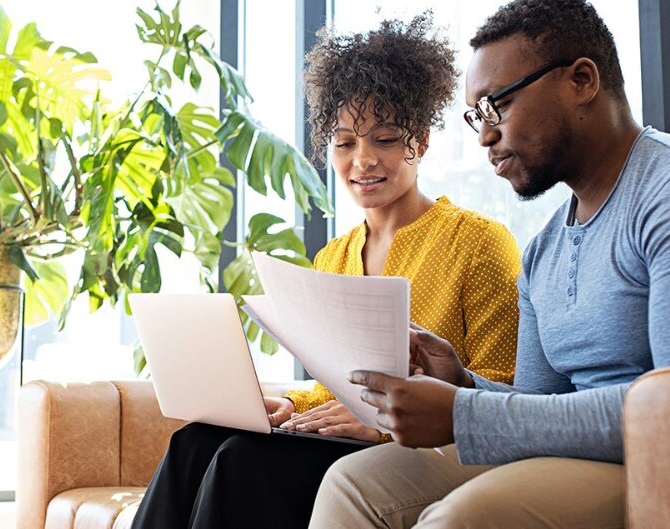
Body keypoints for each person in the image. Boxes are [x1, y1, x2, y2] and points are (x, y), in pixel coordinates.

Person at [308, 1, 670, 528]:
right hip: (596, 455)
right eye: (477, 117)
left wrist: (464, 411)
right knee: (355, 485)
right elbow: (538, 407)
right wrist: (465, 384)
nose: (485, 136)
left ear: (582, 80)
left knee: (470, 517)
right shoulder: (544, 251)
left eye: (498, 106)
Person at [131, 13, 521, 529]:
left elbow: (503, 390)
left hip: (422, 452)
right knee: (194, 442)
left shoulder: (478, 243)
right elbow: (338, 388)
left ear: (420, 142)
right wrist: (280, 404)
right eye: (344, 143)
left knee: (240, 463)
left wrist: (381, 425)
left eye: (385, 139)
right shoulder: (332, 258)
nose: (363, 160)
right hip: (341, 443)